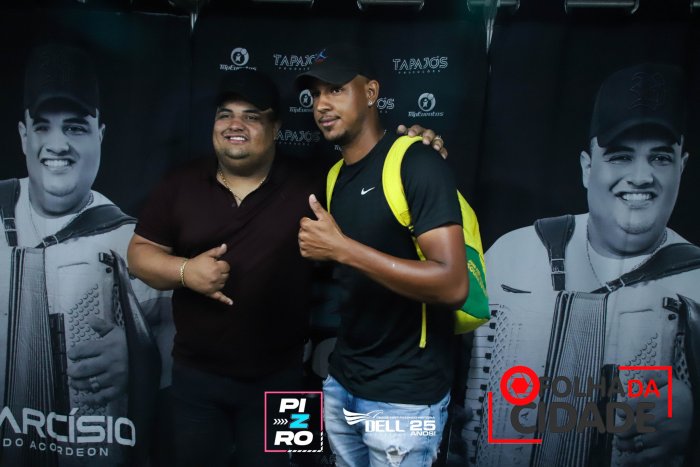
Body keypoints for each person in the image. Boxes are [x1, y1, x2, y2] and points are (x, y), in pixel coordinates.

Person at [127, 68, 447, 466]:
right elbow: (139, 254)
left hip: (285, 379)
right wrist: (184, 271)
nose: (235, 125)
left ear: (276, 127)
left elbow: (378, 171)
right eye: (225, 115)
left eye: (251, 116)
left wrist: (419, 147)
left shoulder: (316, 184)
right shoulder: (180, 183)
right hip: (195, 379)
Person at [464, 63, 699, 466]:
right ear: (588, 168)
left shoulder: (694, 281)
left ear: (683, 167)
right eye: (621, 156)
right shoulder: (512, 254)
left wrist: (695, 424)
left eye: (660, 158)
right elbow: (447, 385)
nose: (641, 176)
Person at [295, 43, 469, 467]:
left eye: (336, 90)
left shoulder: (417, 162)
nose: (322, 105)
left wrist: (342, 249)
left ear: (371, 92)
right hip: (344, 382)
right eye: (315, 95)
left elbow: (452, 285)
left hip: (404, 398)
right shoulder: (335, 176)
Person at [0, 43, 173, 466]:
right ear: (23, 135)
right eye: (43, 127)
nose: (57, 144)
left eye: (76, 128)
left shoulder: (133, 240)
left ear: (101, 136)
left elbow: (179, 343)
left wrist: (138, 360)